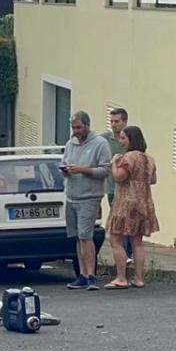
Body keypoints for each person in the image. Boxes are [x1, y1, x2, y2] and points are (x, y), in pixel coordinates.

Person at [61, 110, 112, 290]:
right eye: (73, 127)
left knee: (86, 235)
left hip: (90, 196)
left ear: (87, 125)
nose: (76, 131)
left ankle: (91, 275)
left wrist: (83, 170)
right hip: (72, 195)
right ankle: (81, 274)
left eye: (79, 127)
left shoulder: (100, 144)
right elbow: (64, 162)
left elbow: (105, 170)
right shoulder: (70, 144)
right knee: (77, 237)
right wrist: (65, 170)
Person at [104, 125, 158, 289]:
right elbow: (153, 180)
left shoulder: (127, 158)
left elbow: (119, 177)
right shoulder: (149, 159)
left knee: (115, 239)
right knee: (137, 241)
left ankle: (121, 277)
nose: (120, 142)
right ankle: (139, 278)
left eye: (123, 138)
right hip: (144, 201)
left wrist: (114, 163)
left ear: (131, 139)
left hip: (126, 202)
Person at [105, 107, 134, 264]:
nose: (113, 125)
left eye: (117, 121)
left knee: (128, 221)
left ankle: (128, 253)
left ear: (125, 121)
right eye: (112, 121)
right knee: (118, 223)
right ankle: (124, 254)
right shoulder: (105, 139)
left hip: (129, 190)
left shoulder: (132, 139)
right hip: (111, 188)